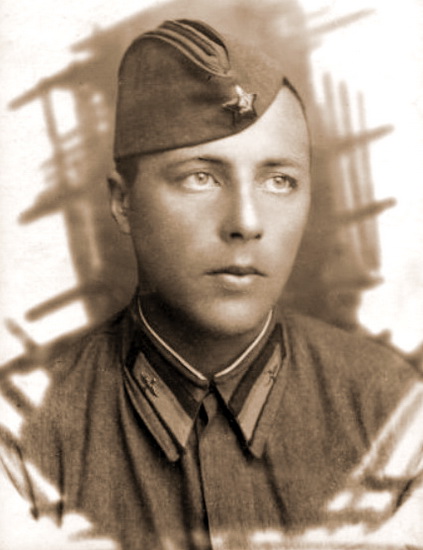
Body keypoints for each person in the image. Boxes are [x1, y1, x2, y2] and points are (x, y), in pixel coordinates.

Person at [1, 18, 422, 550]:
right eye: (200, 176)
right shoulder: (26, 437)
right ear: (123, 203)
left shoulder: (393, 412)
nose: (246, 222)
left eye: (279, 180)